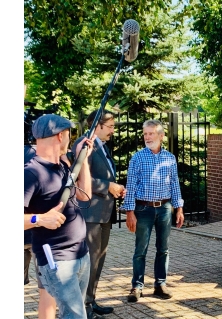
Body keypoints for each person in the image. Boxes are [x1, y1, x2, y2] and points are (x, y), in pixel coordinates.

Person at [24, 114, 95, 319]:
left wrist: (84, 161)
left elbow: (83, 195)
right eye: (69, 135)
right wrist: (40, 218)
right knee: (75, 316)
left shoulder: (62, 166)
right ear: (60, 135)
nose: (70, 139)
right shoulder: (32, 173)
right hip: (56, 259)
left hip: (80, 254)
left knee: (74, 313)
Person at [121, 119, 185, 302]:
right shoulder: (137, 158)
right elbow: (131, 186)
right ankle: (137, 286)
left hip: (165, 209)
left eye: (151, 133)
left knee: (163, 249)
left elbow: (175, 185)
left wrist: (179, 208)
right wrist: (130, 212)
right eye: (145, 134)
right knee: (140, 249)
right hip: (143, 209)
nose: (147, 137)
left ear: (161, 136)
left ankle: (160, 284)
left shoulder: (170, 158)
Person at [72, 110, 126, 318]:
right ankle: (82, 307)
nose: (113, 130)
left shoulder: (101, 147)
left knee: (98, 260)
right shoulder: (85, 146)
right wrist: (108, 186)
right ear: (97, 126)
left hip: (104, 213)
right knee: (88, 262)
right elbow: (78, 180)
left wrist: (115, 187)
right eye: (110, 126)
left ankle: (90, 301)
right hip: (90, 214)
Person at [24, 144, 58, 319]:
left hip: (35, 232)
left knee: (47, 289)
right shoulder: (40, 155)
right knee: (46, 290)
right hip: (38, 232)